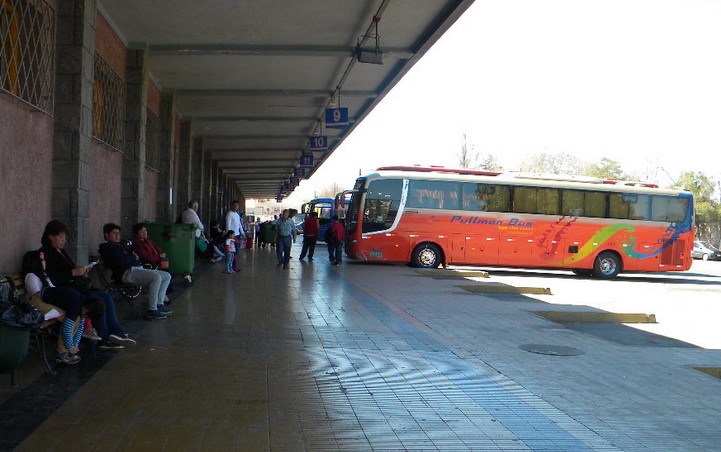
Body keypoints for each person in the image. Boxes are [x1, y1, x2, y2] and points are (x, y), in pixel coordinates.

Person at [40, 220, 136, 349]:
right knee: (97, 301)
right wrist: (73, 273)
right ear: (50, 236)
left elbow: (70, 271)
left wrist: (81, 271)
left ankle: (116, 333)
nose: (64, 240)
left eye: (65, 237)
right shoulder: (45, 253)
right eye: (60, 237)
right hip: (65, 291)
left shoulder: (61, 252)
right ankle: (104, 338)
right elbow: (51, 277)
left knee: (106, 297)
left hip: (76, 286)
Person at [22, 250, 105, 365]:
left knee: (74, 319)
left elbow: (81, 323)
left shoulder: (80, 305)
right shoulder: (31, 276)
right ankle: (62, 352)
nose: (45, 262)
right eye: (43, 260)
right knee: (69, 319)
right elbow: (36, 296)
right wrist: (71, 347)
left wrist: (76, 344)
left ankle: (64, 351)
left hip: (49, 302)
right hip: (37, 302)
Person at [98, 223, 172, 320]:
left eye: (118, 233)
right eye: (114, 233)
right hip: (126, 272)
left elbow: (128, 258)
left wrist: (131, 258)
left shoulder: (118, 246)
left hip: (135, 269)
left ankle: (159, 303)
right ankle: (152, 310)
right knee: (156, 277)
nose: (117, 236)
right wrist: (132, 258)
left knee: (166, 275)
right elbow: (121, 261)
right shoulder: (107, 247)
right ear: (106, 235)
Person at [225, 201, 245, 271]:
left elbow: (239, 225)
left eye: (237, 205)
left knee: (235, 252)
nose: (236, 207)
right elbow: (228, 225)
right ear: (231, 206)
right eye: (234, 205)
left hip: (237, 235)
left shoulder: (237, 214)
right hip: (232, 237)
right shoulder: (229, 214)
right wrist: (229, 236)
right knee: (231, 252)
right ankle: (231, 267)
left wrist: (243, 233)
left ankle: (234, 266)